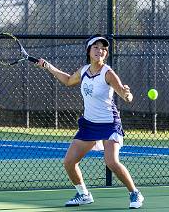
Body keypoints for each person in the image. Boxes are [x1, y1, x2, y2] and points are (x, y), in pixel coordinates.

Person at [35, 34, 144, 209]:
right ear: (89, 50)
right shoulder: (84, 70)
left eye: (103, 48)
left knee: (111, 162)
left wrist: (127, 94)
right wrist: (48, 66)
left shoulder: (108, 73)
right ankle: (83, 194)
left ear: (106, 53)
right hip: (89, 124)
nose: (99, 51)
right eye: (96, 47)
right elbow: (69, 80)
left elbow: (123, 93)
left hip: (109, 124)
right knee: (69, 162)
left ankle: (134, 193)